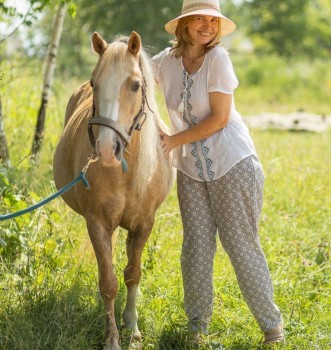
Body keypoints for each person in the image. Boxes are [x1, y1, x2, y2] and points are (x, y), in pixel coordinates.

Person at [151, 0, 284, 346]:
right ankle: (197, 326)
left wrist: (172, 140)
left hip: (233, 164)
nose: (208, 25)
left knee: (240, 245)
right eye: (200, 19)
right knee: (195, 247)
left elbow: (219, 119)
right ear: (185, 24)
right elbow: (133, 72)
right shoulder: (166, 61)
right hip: (191, 171)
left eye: (214, 19)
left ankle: (272, 328)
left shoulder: (217, 60)